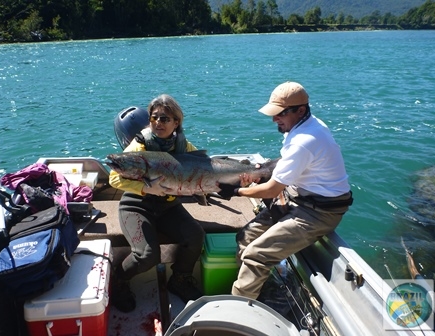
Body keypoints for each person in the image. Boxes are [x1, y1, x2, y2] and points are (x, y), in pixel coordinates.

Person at [218, 81, 353, 300]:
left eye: (280, 114)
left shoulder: (304, 140)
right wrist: (268, 167)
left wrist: (235, 192)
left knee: (256, 255)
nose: (274, 119)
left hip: (319, 213)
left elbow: (271, 191)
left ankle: (239, 307)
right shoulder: (305, 125)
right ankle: (261, 286)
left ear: (301, 110)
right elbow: (290, 162)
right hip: (298, 198)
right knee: (245, 237)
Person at [109, 94, 205, 312]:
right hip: (136, 205)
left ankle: (180, 279)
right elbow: (114, 177)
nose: (158, 123)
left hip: (168, 206)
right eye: (154, 118)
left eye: (165, 118)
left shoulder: (183, 145)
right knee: (146, 255)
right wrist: (145, 188)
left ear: (176, 122)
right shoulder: (140, 145)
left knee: (195, 235)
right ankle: (118, 281)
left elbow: (203, 166)